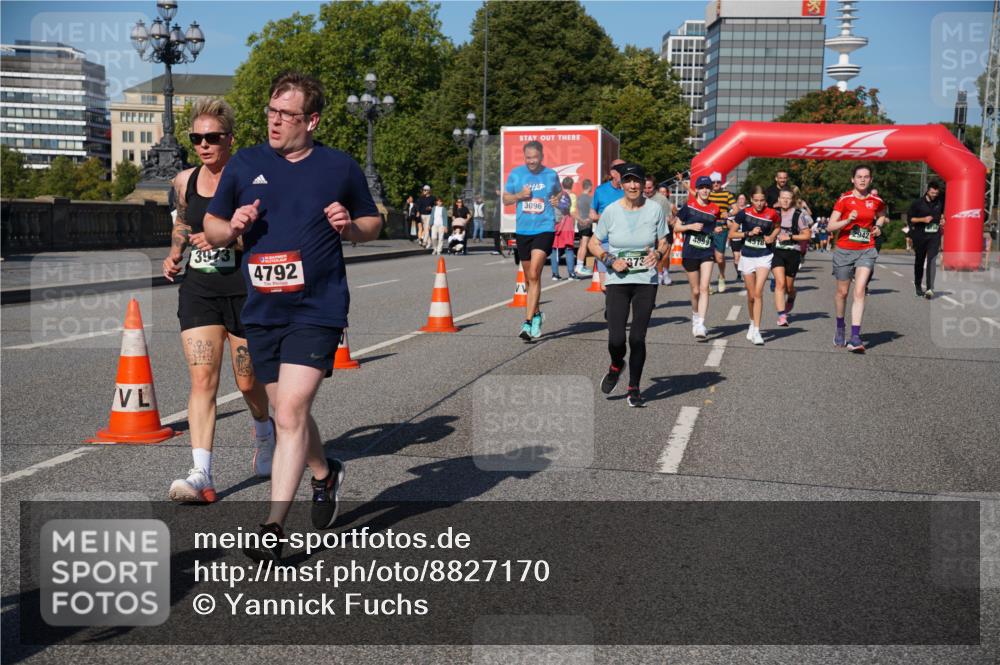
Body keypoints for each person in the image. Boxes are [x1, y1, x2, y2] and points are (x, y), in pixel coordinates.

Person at [203, 71, 382, 561]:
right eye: (271, 112)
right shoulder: (245, 163)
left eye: (287, 115)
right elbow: (213, 225)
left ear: (312, 120)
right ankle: (325, 472)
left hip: (317, 306)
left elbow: (373, 222)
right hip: (261, 307)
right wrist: (230, 226)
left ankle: (271, 525)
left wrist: (351, 228)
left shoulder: (338, 168)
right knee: (289, 416)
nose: (275, 121)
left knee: (289, 412)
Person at [162, 98, 275, 504]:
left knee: (248, 382)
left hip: (245, 291)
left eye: (212, 137)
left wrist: (223, 236)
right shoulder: (184, 180)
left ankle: (265, 430)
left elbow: (265, 234)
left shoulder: (249, 179)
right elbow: (181, 219)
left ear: (230, 138)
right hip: (199, 290)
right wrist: (175, 252)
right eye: (197, 138)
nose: (204, 145)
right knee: (202, 381)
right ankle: (201, 473)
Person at [589, 163, 669, 408]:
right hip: (617, 281)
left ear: (643, 183)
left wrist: (658, 253)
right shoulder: (611, 211)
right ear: (622, 184)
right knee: (616, 339)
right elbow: (593, 243)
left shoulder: (655, 209)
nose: (633, 186)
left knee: (637, 337)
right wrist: (610, 259)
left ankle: (634, 386)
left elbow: (665, 241)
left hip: (645, 280)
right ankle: (616, 365)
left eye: (637, 181)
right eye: (628, 181)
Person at [502, 140, 562, 340]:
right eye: (528, 158)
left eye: (534, 158)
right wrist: (519, 195)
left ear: (541, 157)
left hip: (544, 228)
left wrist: (558, 200)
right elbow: (505, 198)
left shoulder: (551, 175)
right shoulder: (517, 174)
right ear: (524, 157)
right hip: (523, 230)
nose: (531, 162)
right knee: (529, 278)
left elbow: (560, 193)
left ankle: (527, 323)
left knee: (535, 273)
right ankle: (536, 314)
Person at [826, 165, 888, 353]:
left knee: (859, 291)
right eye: (859, 177)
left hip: (866, 249)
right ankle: (840, 326)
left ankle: (855, 337)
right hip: (844, 250)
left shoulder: (876, 200)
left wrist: (878, 226)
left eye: (866, 177)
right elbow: (830, 226)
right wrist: (847, 220)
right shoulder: (844, 200)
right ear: (852, 179)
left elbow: (882, 214)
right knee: (842, 293)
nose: (862, 180)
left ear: (871, 180)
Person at [729, 186, 780, 345]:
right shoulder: (744, 213)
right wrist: (748, 234)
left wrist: (771, 236)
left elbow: (777, 227)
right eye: (756, 201)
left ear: (766, 200)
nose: (759, 204)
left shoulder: (772, 213)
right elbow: (732, 234)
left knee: (758, 293)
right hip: (747, 256)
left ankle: (757, 330)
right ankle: (752, 322)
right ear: (751, 200)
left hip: (764, 256)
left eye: (762, 201)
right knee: (751, 296)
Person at [674, 175, 720, 339]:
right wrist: (690, 226)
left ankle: (700, 323)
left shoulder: (715, 208)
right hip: (690, 252)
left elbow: (719, 224)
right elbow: (676, 227)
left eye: (707, 187)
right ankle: (695, 315)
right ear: (697, 190)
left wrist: (718, 229)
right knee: (695, 291)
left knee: (704, 287)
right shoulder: (689, 206)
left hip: (707, 251)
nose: (705, 190)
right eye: (702, 187)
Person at [771, 188, 812, 327]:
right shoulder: (773, 213)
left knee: (789, 287)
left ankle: (792, 295)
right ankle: (782, 316)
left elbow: (807, 235)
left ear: (792, 200)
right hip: (776, 251)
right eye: (783, 197)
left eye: (788, 198)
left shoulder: (798, 215)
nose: (785, 200)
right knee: (780, 283)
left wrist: (790, 236)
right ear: (779, 199)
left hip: (793, 252)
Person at [590, 159, 627, 291]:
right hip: (604, 242)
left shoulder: (629, 190)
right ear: (612, 172)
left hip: (625, 242)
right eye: (620, 169)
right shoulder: (601, 190)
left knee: (623, 283)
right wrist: (604, 216)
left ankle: (616, 309)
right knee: (604, 286)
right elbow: (592, 214)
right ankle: (612, 309)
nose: (623, 172)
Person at [907, 181, 944, 298]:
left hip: (934, 235)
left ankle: (929, 288)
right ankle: (918, 284)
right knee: (919, 260)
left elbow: (942, 215)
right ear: (927, 190)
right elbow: (911, 219)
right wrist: (922, 219)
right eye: (932, 193)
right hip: (920, 235)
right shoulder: (917, 203)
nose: (934, 195)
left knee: (932, 260)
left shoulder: (940, 201)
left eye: (936, 193)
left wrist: (943, 220)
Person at [707, 172, 735, 293]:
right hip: (707, 226)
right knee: (706, 256)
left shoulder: (727, 194)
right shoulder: (706, 194)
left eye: (718, 182)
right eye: (713, 182)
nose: (716, 184)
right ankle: (706, 283)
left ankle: (722, 276)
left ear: (721, 182)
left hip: (721, 226)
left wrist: (729, 213)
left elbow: (736, 208)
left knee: (719, 257)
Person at [551, 176, 577, 280]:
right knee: (569, 249)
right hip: (566, 224)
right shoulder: (569, 195)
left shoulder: (552, 196)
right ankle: (571, 274)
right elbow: (569, 209)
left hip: (556, 224)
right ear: (572, 184)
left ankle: (555, 274)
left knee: (555, 249)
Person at [573, 179, 595, 277]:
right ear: (590, 187)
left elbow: (575, 211)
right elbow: (593, 212)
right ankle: (580, 266)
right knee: (584, 245)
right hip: (586, 224)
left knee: (582, 244)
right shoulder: (590, 199)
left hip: (580, 224)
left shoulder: (578, 198)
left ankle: (578, 265)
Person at [729, 192, 748, 276]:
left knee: (743, 256)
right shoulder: (732, 211)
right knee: (736, 257)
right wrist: (735, 227)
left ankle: (745, 273)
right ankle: (738, 273)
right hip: (735, 237)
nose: (741, 200)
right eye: (740, 199)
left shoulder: (748, 209)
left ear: (746, 200)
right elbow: (728, 223)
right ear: (737, 200)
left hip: (746, 236)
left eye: (743, 199)